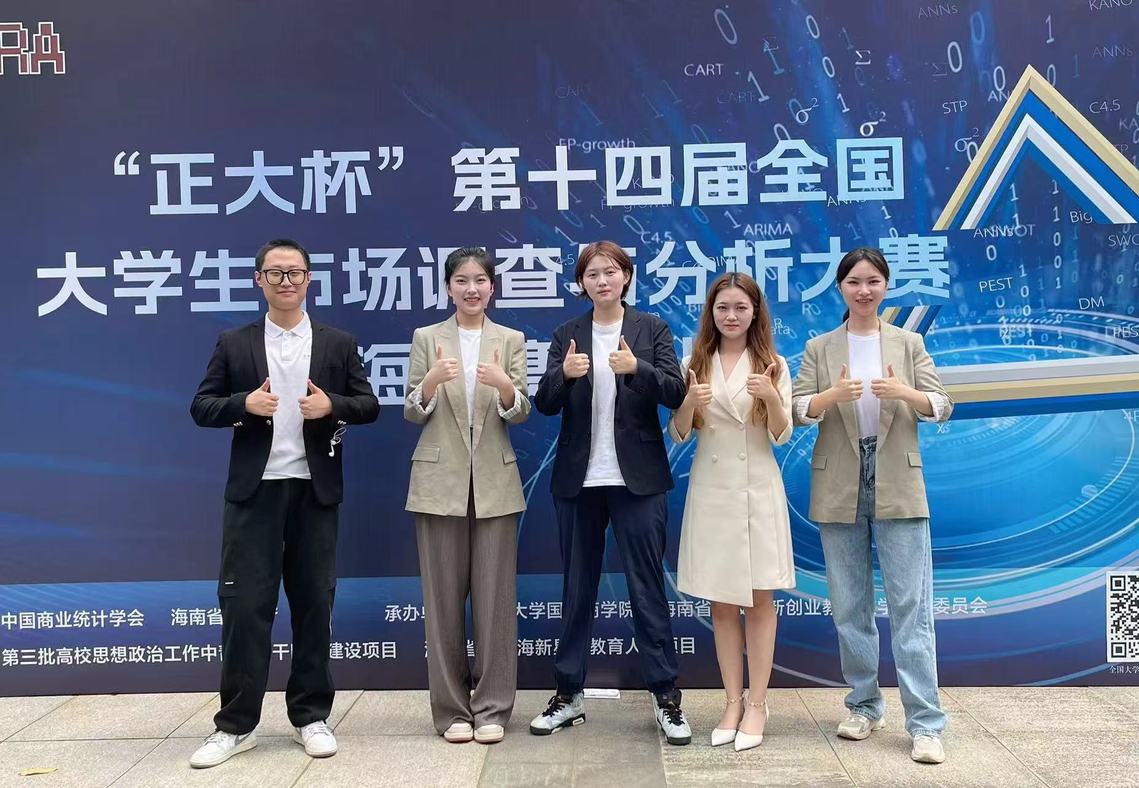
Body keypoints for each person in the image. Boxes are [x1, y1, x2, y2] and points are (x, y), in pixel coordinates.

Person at [188, 238, 379, 768]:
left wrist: (331, 405)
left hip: (315, 491)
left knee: (315, 604)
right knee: (245, 608)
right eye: (275, 272)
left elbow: (368, 405)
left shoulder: (338, 343)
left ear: (309, 278)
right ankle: (235, 725)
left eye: (294, 272)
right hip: (255, 492)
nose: (286, 281)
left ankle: (310, 716)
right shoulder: (235, 343)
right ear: (259, 280)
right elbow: (201, 406)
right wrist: (242, 404)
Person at [791, 247, 953, 765]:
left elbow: (942, 405)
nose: (864, 290)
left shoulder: (909, 342)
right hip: (838, 482)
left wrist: (904, 391)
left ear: (886, 286)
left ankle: (925, 723)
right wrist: (830, 397)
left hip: (898, 481)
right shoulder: (819, 347)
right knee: (849, 606)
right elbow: (796, 410)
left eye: (873, 281)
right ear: (840, 287)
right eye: (854, 282)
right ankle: (863, 705)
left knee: (911, 607)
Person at [530, 240, 691, 745]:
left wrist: (637, 369)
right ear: (581, 283)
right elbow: (543, 403)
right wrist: (563, 375)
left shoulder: (652, 329)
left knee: (647, 589)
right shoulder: (567, 334)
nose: (602, 281)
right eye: (592, 274)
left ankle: (665, 697)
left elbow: (675, 391)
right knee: (577, 590)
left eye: (610, 272)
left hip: (637, 480)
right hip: (579, 481)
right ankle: (568, 694)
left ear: (626, 276)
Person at [404, 247, 531, 745]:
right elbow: (412, 411)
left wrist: (504, 387)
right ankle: (452, 711)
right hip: (439, 484)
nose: (471, 288)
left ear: (492, 287)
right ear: (448, 288)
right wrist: (430, 383)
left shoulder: (511, 340)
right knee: (441, 603)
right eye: (461, 280)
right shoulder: (427, 338)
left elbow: (521, 412)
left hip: (496, 482)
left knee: (497, 602)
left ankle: (493, 708)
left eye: (480, 280)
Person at [667, 272, 794, 752]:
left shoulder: (773, 363)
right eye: (723, 307)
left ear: (755, 311)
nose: (732, 316)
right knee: (721, 603)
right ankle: (732, 702)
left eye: (741, 307)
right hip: (713, 491)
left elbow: (782, 434)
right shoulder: (694, 361)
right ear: (711, 313)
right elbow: (679, 433)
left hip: (758, 491)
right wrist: (688, 403)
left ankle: (758, 703)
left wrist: (771, 397)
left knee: (760, 601)